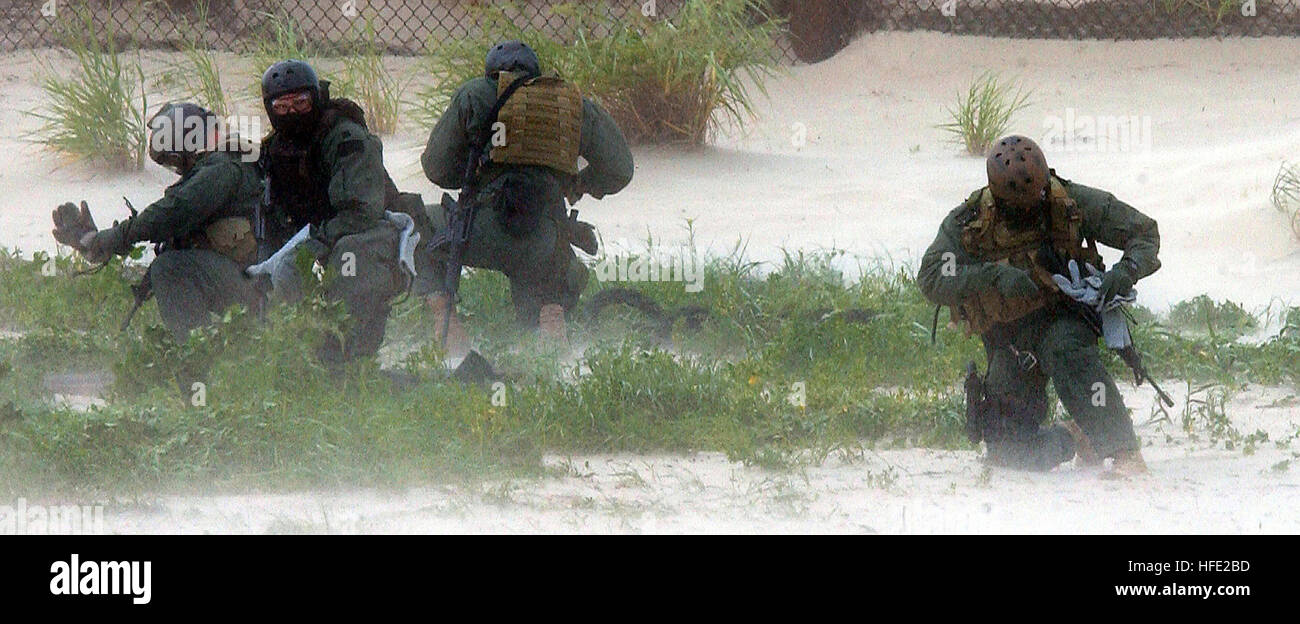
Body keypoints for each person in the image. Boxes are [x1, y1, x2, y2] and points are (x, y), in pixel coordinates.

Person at [916, 135, 1161, 476]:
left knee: (1065, 350)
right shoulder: (970, 220)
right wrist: (994, 277)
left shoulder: (1070, 200)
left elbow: (1144, 233)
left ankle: (1124, 453)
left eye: (1041, 195)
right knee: (1009, 453)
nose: (1035, 205)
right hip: (1009, 337)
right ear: (998, 198)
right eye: (1022, 205)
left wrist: (1126, 271)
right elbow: (931, 276)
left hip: (1062, 316)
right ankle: (1074, 438)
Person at [419, 40, 634, 349]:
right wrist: (578, 185)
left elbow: (436, 168)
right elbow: (620, 168)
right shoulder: (569, 103)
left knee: (415, 223)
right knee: (553, 281)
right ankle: (550, 321)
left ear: (491, 73)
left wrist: (474, 176)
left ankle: (446, 323)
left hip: (479, 230)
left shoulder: (475, 93)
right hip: (543, 238)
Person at [51, 102, 263, 342]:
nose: (177, 170)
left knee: (170, 268)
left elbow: (171, 214)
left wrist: (110, 238)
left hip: (259, 287)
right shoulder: (226, 163)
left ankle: (200, 359)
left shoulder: (223, 167)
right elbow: (168, 218)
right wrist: (103, 242)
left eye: (175, 163)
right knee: (172, 261)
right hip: (251, 282)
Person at [257, 59, 415, 365]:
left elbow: (363, 211)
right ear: (269, 109)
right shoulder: (273, 150)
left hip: (374, 231)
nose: (293, 113)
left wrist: (313, 243)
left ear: (316, 99)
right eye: (282, 106)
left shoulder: (345, 138)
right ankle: (291, 350)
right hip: (315, 234)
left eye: (301, 103)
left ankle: (352, 353)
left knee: (349, 255)